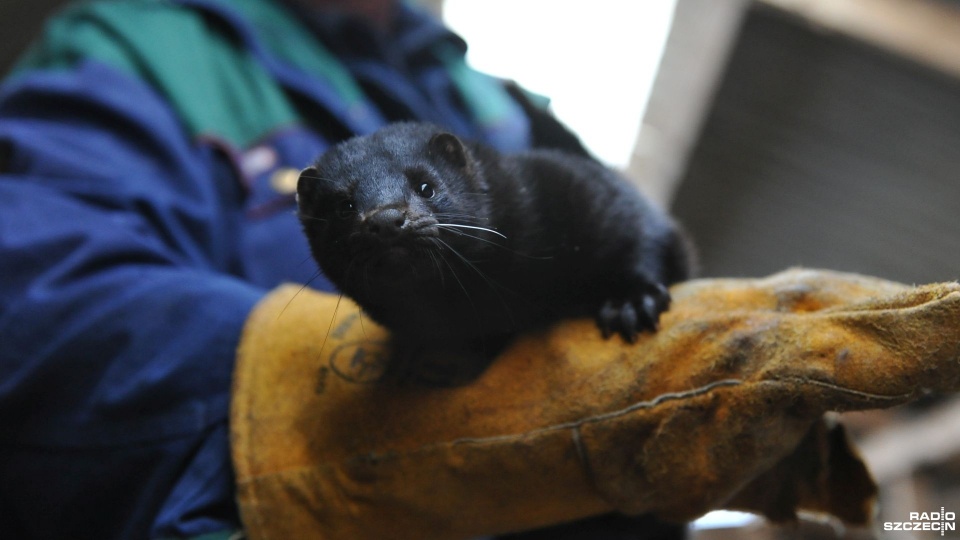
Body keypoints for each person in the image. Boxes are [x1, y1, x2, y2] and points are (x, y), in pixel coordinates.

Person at [0, 0, 686, 538]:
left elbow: (646, 242)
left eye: (416, 194)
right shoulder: (142, 51)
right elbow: (34, 298)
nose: (387, 218)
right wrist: (294, 386)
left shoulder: (492, 101)